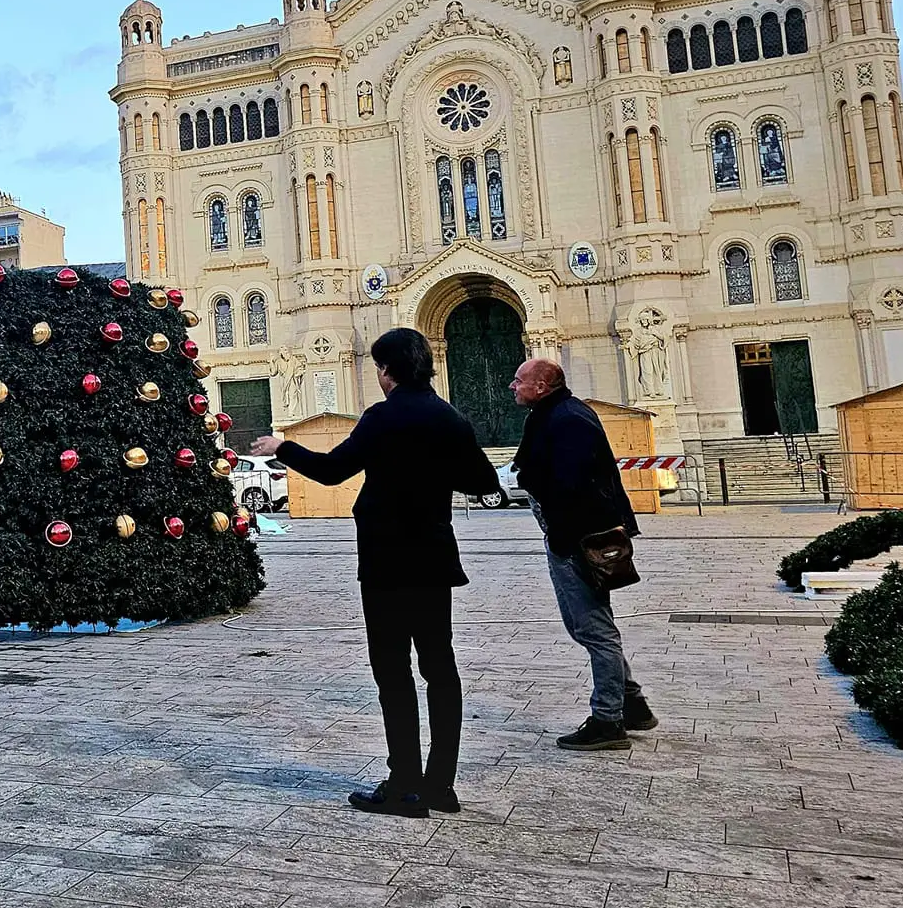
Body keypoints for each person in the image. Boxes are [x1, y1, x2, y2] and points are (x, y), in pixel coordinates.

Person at [252, 328, 499, 818]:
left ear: (386, 371)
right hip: (433, 559)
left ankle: (404, 783)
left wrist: (283, 447)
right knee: (440, 670)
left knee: (393, 671)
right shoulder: (450, 417)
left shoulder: (383, 417)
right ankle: (440, 785)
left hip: (388, 561)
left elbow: (331, 471)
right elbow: (484, 482)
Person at [507, 358, 657, 750]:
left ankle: (609, 721)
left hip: (580, 540)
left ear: (541, 386)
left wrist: (562, 536)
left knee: (592, 629)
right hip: (574, 536)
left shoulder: (567, 419)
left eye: (519, 380)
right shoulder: (555, 413)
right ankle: (633, 704)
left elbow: (571, 487)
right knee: (590, 625)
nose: (511, 386)